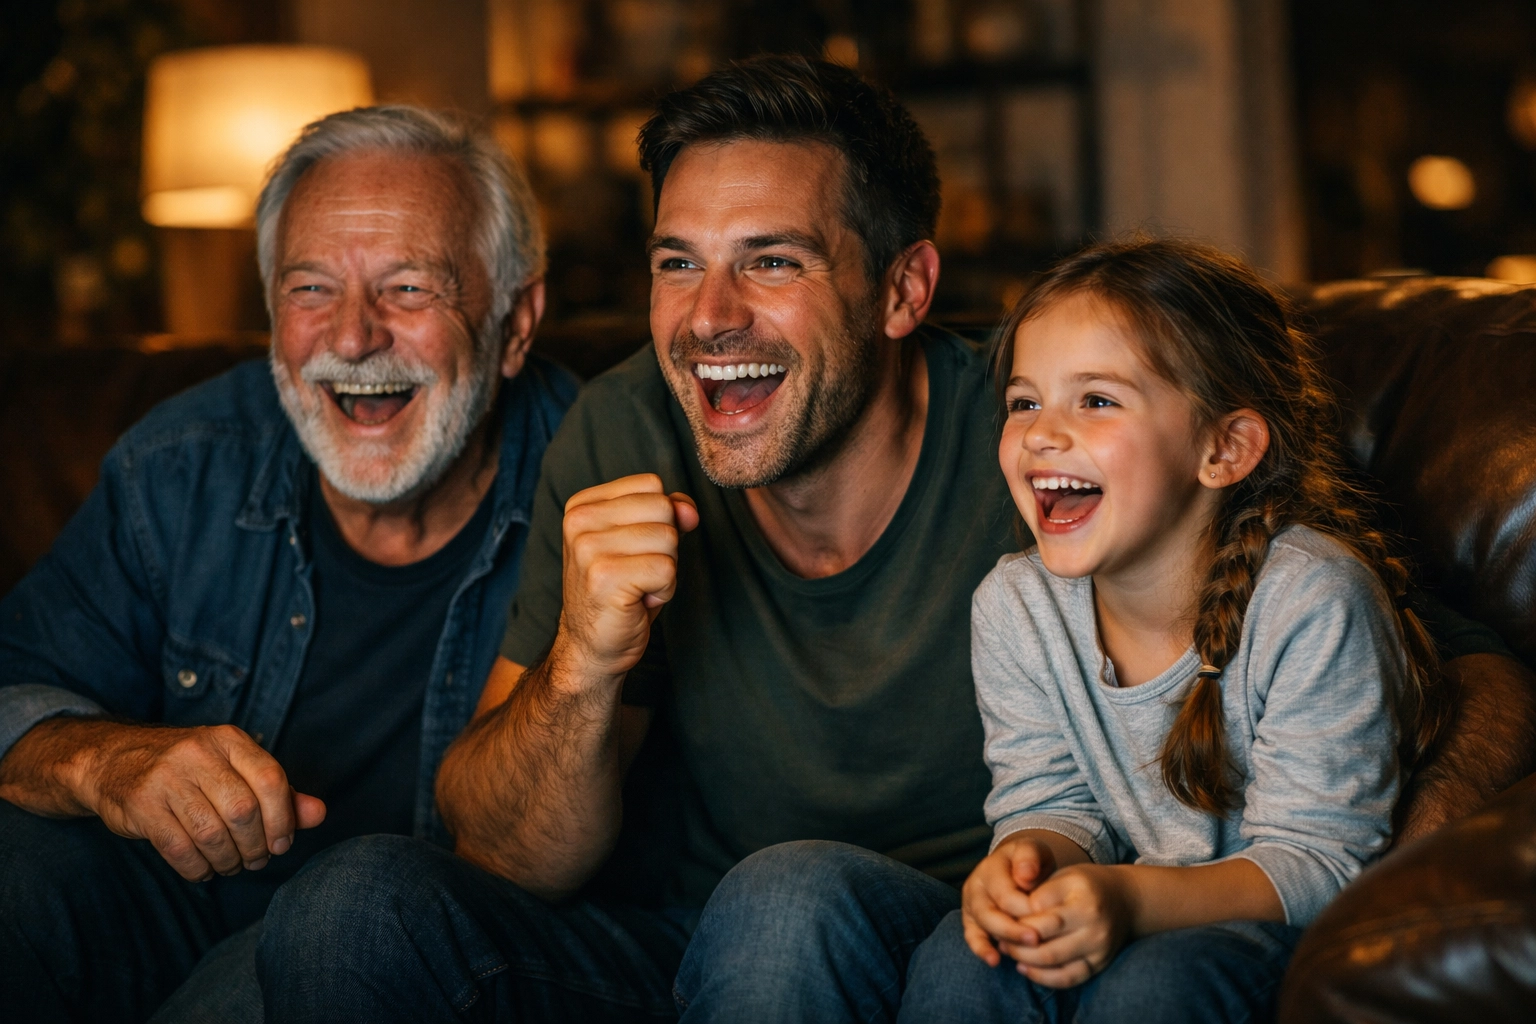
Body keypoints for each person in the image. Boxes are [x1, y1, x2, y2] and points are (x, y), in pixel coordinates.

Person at [256, 58, 1536, 1023]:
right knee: (348, 903)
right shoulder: (626, 424)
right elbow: (501, 851)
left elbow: (1464, 673)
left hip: (955, 936)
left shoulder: (1053, 447)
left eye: (771, 263)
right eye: (675, 263)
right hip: (680, 941)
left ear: (904, 291)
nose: (708, 320)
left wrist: (1354, 893)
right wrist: (586, 663)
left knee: (788, 895)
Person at [0, 106, 573, 1023]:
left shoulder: (593, 486)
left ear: (514, 324)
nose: (351, 339)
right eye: (311, 290)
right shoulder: (185, 463)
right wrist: (105, 758)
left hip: (429, 952)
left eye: (408, 289)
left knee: (315, 946)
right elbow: (13, 685)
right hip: (174, 908)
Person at [897, 238, 1443, 1022]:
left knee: (1154, 984)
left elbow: (1320, 864)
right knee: (963, 953)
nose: (1042, 433)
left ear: (1225, 449)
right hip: (1126, 909)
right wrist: (1025, 862)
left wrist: (1131, 900)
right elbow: (1053, 804)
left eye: (1096, 400)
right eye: (1024, 401)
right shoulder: (1016, 606)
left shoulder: (1312, 600)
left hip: (1270, 937)